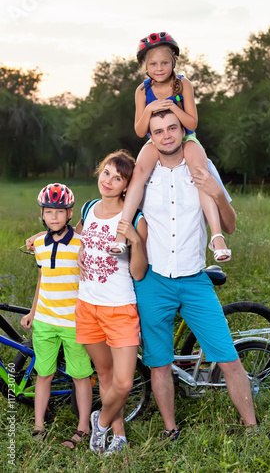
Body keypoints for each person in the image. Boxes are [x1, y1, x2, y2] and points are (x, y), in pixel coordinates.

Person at [133, 110, 258, 440]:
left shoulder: (200, 165)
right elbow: (110, 206)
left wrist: (217, 192)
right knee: (158, 364)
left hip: (194, 281)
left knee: (229, 359)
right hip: (153, 282)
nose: (166, 135)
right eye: (158, 131)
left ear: (182, 130)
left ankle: (253, 428)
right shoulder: (144, 173)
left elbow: (229, 225)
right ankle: (170, 429)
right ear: (151, 136)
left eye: (172, 128)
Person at [110, 32, 231, 263]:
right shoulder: (142, 91)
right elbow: (139, 130)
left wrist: (174, 108)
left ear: (173, 62)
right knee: (138, 174)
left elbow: (192, 124)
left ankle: (217, 236)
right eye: (153, 63)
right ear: (145, 66)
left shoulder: (183, 83)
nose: (159, 68)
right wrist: (149, 109)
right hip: (155, 139)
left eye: (164, 62)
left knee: (200, 173)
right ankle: (120, 234)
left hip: (185, 137)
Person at [74, 150, 148, 456]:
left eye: (118, 177)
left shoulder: (134, 219)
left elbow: (139, 273)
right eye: (106, 172)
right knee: (103, 375)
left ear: (127, 186)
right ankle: (118, 437)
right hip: (87, 305)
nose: (109, 180)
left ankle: (100, 422)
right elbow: (75, 239)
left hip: (119, 308)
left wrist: (137, 241)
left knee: (124, 382)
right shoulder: (89, 208)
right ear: (99, 172)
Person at [21, 183, 93, 448]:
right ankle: (39, 425)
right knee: (44, 373)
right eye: (49, 211)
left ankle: (83, 427)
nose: (54, 216)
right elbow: (43, 280)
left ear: (70, 213)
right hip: (45, 321)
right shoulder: (38, 243)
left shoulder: (80, 242)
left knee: (80, 374)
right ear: (42, 213)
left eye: (59, 212)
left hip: (74, 322)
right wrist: (33, 311)